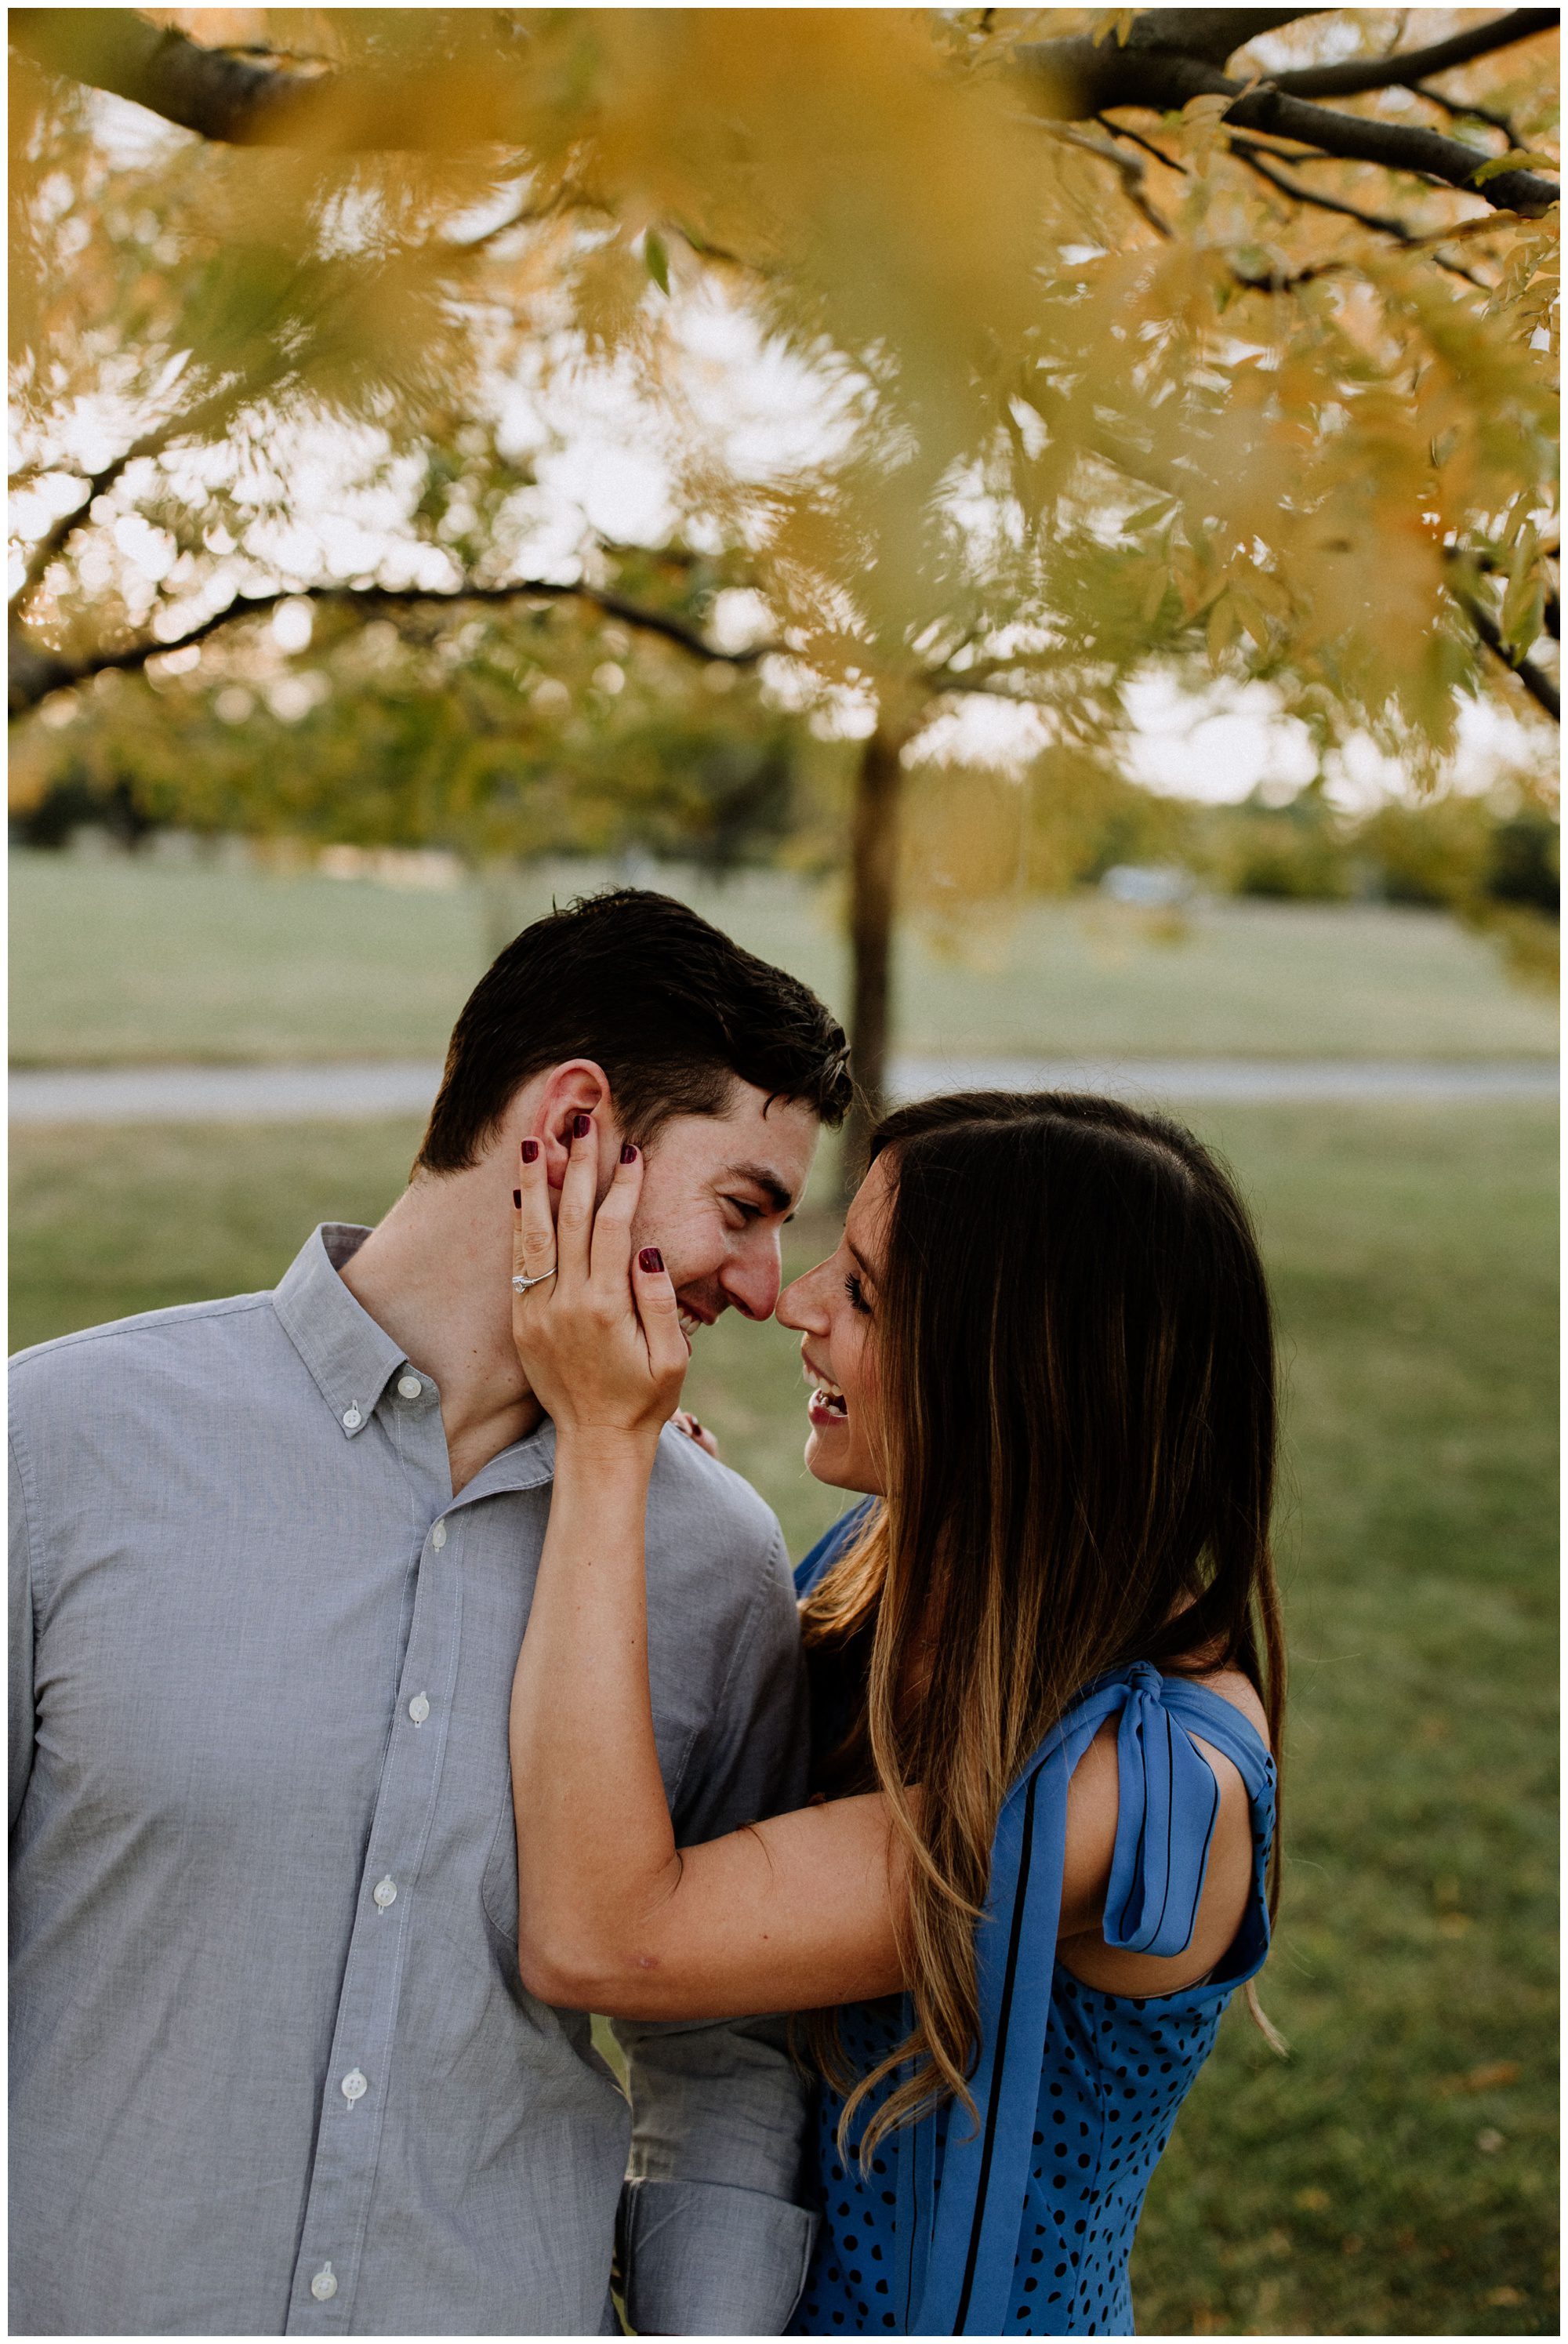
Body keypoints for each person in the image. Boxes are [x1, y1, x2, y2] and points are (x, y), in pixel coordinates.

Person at [9, 887, 852, 2338]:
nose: (769, 1288)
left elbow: (721, 2057)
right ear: (574, 1126)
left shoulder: (717, 1561)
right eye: (745, 1207)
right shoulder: (61, 1445)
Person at [503, 1088, 1287, 2337]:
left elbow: (605, 1936)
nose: (798, 1303)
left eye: (865, 1292)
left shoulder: (1146, 1786)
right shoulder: (876, 1562)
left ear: (1022, 1384)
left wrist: (607, 1448)